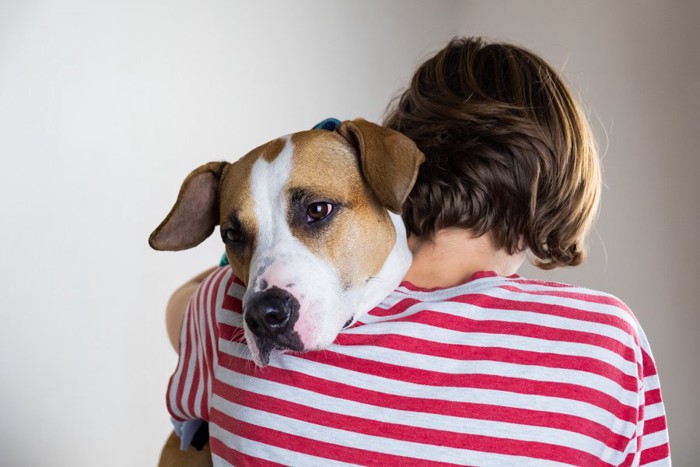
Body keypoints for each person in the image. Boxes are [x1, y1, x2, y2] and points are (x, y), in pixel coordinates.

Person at [160, 37, 671, 466]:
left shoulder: (218, 304)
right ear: (558, 187)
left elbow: (181, 316)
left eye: (318, 213)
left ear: (400, 160)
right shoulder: (603, 342)